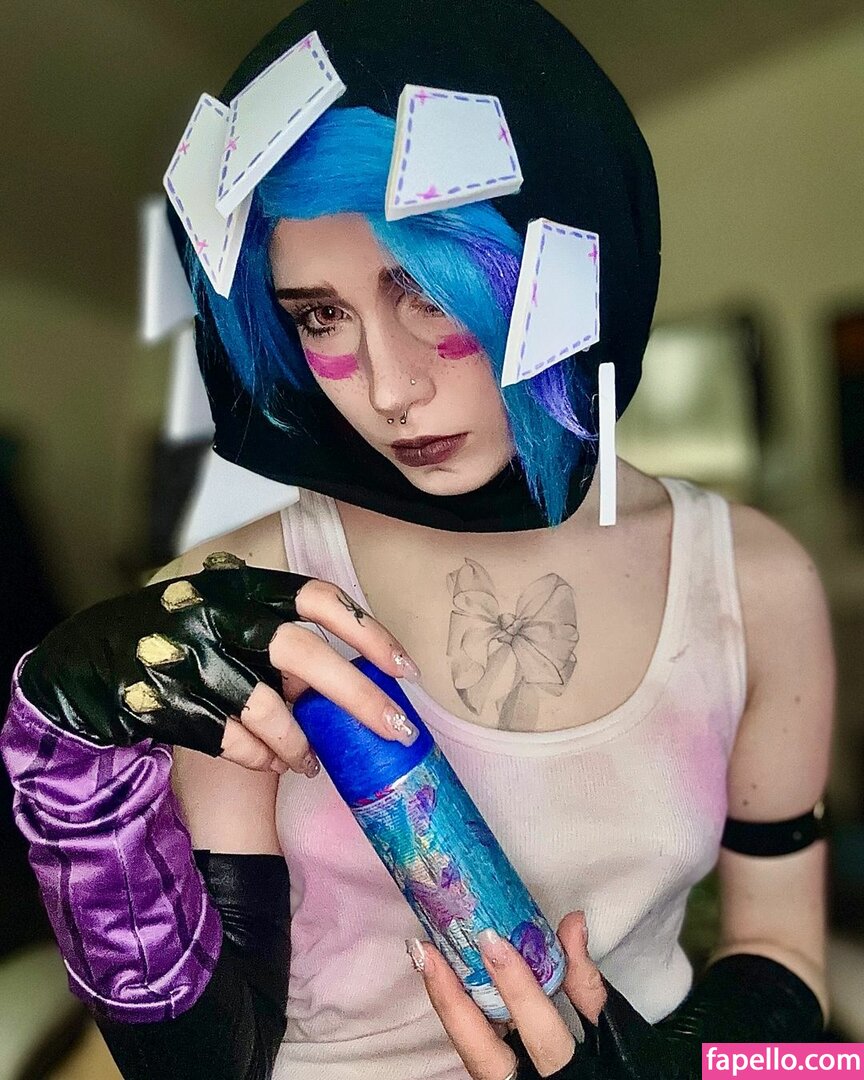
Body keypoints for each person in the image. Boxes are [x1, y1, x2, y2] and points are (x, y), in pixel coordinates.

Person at [0, 1, 832, 1078]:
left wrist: (708, 1069)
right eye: (319, 316)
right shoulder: (231, 603)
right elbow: (206, 1066)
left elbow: (790, 964)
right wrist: (70, 780)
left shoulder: (755, 578)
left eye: (428, 294)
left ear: (566, 261)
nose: (389, 390)